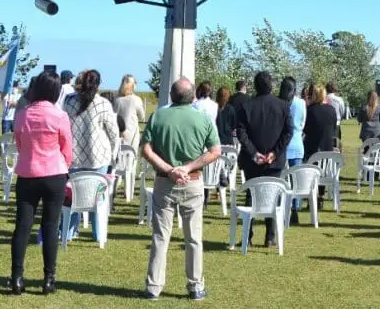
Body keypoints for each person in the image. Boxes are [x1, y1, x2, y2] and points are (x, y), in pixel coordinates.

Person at [141, 78, 220, 301]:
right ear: (193, 96)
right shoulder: (203, 118)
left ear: (171, 95)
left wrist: (169, 169)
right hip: (193, 182)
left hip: (164, 182)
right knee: (193, 237)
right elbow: (215, 150)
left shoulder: (158, 116)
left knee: (160, 236)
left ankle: (154, 286)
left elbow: (146, 149)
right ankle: (195, 286)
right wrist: (187, 167)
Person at [9, 72, 72, 295]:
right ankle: (49, 279)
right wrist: (64, 165)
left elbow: (18, 142)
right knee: (50, 226)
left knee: (23, 226)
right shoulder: (60, 115)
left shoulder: (22, 114)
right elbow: (67, 147)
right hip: (54, 172)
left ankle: (16, 277)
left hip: (27, 173)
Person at [237, 71, 292, 247]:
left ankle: (248, 235)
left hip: (253, 160)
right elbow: (289, 132)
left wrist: (254, 153)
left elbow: (241, 132)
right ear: (271, 86)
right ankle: (270, 236)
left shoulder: (247, 106)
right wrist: (274, 153)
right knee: (273, 196)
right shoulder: (282, 106)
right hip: (274, 160)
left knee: (250, 196)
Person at [63, 69, 120, 242]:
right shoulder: (103, 104)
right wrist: (114, 153)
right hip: (98, 158)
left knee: (72, 197)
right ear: (98, 85)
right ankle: (98, 233)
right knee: (99, 198)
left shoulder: (69, 102)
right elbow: (113, 132)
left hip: (74, 157)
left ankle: (69, 231)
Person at [281, 77, 306, 220]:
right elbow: (302, 123)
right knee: (296, 179)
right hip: (296, 141)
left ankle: (282, 204)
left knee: (281, 178)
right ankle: (295, 207)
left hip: (282, 145)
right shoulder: (301, 103)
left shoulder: (279, 102)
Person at [114, 74, 147, 153]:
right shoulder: (136, 99)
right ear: (133, 85)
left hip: (117, 134)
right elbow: (142, 117)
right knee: (131, 160)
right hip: (132, 136)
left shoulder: (116, 99)